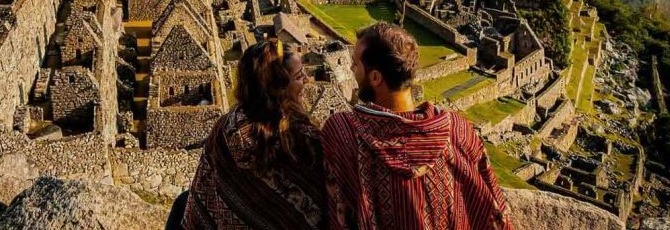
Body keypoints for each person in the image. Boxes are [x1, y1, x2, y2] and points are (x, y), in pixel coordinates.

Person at [322, 22, 514, 230]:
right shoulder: (458, 131)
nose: (351, 69)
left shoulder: (343, 132)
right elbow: (495, 211)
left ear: (376, 77)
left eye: (355, 64)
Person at [176, 38, 327, 230]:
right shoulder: (305, 141)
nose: (306, 79)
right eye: (298, 76)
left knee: (182, 202)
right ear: (278, 87)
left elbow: (205, 196)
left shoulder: (225, 128)